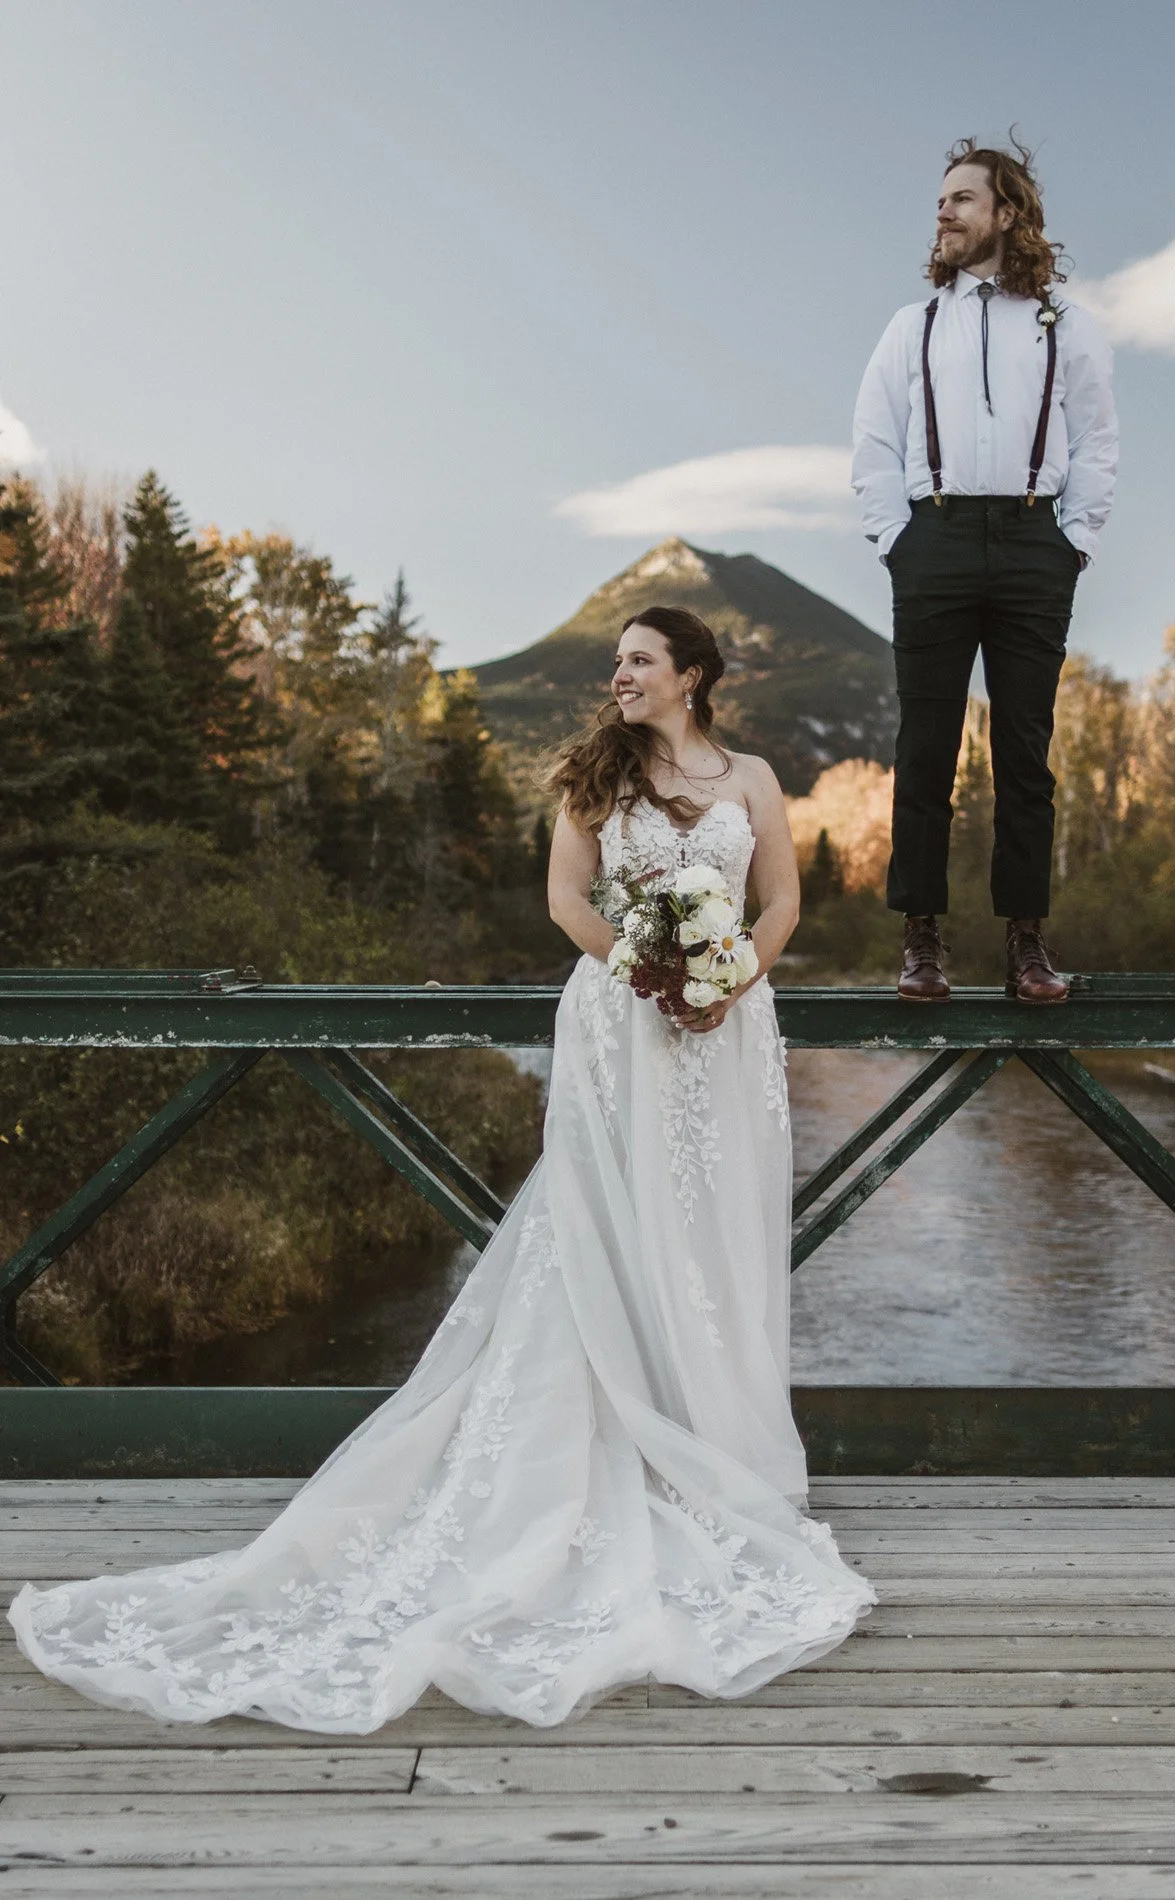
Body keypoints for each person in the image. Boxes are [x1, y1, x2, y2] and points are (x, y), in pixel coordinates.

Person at [7, 604, 874, 1733]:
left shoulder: (755, 776)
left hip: (725, 1036)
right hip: (621, 1025)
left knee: (710, 1230)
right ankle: (600, 1438)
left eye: (639, 661)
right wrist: (649, 971)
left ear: (694, 675)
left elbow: (782, 902)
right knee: (604, 1228)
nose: (618, 675)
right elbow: (565, 899)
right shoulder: (593, 778)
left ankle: (710, 1443)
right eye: (614, 661)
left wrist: (726, 982)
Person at [852, 136, 1118, 1003]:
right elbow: (875, 440)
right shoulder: (912, 325)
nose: (943, 212)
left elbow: (1099, 439)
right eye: (941, 200)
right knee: (925, 746)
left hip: (1036, 543)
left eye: (962, 199)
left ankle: (1026, 943)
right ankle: (921, 938)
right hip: (932, 540)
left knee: (1025, 753)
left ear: (1007, 214)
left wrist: (1072, 543)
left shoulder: (1069, 323)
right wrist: (897, 538)